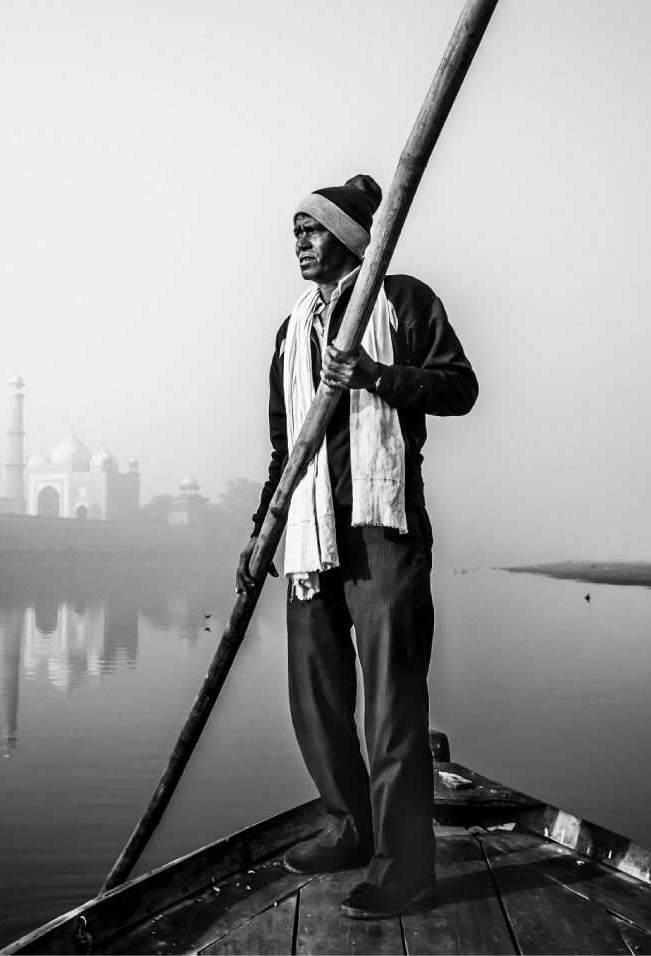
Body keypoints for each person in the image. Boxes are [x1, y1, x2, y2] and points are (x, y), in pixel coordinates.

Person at [235, 173, 477, 920]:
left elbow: (459, 387)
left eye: (311, 230)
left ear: (345, 236)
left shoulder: (400, 301)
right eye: (295, 233)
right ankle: (346, 827)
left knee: (393, 704)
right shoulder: (290, 332)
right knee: (315, 697)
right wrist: (261, 531)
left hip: (382, 530)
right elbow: (285, 449)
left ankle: (404, 868)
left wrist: (375, 375)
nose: (300, 243)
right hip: (310, 538)